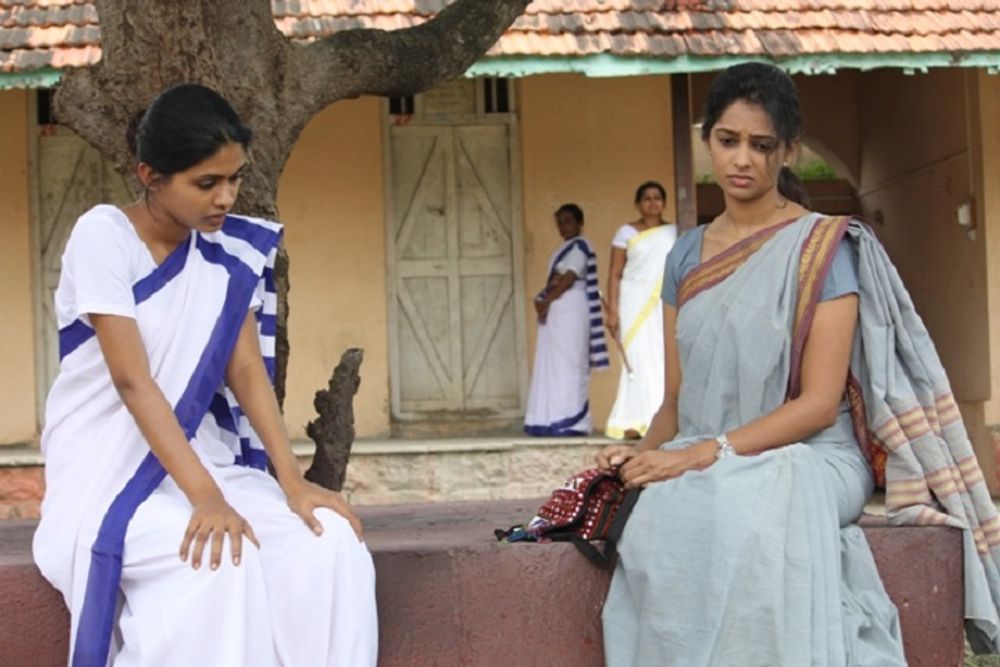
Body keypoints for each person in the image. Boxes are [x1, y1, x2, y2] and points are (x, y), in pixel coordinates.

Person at [597, 62, 1000, 665]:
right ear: (708, 140)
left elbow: (817, 405)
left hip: (813, 456)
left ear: (788, 151)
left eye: (762, 145)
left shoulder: (823, 248)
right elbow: (677, 401)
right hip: (707, 452)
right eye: (728, 140)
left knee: (755, 491)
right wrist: (640, 457)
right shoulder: (685, 255)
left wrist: (704, 455)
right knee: (665, 509)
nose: (742, 159)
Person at [32, 84, 378, 667]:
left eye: (234, 179)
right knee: (221, 559)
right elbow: (133, 381)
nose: (225, 198)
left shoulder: (225, 253)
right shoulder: (104, 236)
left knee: (329, 543)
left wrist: (292, 482)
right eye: (206, 183)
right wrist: (207, 500)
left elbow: (244, 369)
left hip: (202, 460)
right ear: (150, 175)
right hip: (107, 469)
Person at [525, 204, 609, 436]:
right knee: (554, 365)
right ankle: (552, 419)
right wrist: (547, 301)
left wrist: (547, 300)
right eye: (560, 222)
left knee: (571, 363)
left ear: (580, 223)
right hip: (558, 313)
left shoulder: (580, 246)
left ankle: (572, 421)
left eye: (569, 221)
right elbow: (556, 278)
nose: (564, 226)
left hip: (572, 310)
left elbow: (569, 277)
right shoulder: (563, 248)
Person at [604, 181, 677, 439]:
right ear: (638, 204)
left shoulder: (674, 232)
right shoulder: (625, 232)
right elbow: (615, 273)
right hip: (633, 302)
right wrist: (612, 310)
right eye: (647, 198)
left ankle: (660, 421)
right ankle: (633, 421)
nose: (652, 203)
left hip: (663, 303)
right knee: (635, 359)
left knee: (661, 358)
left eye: (658, 198)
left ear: (664, 203)